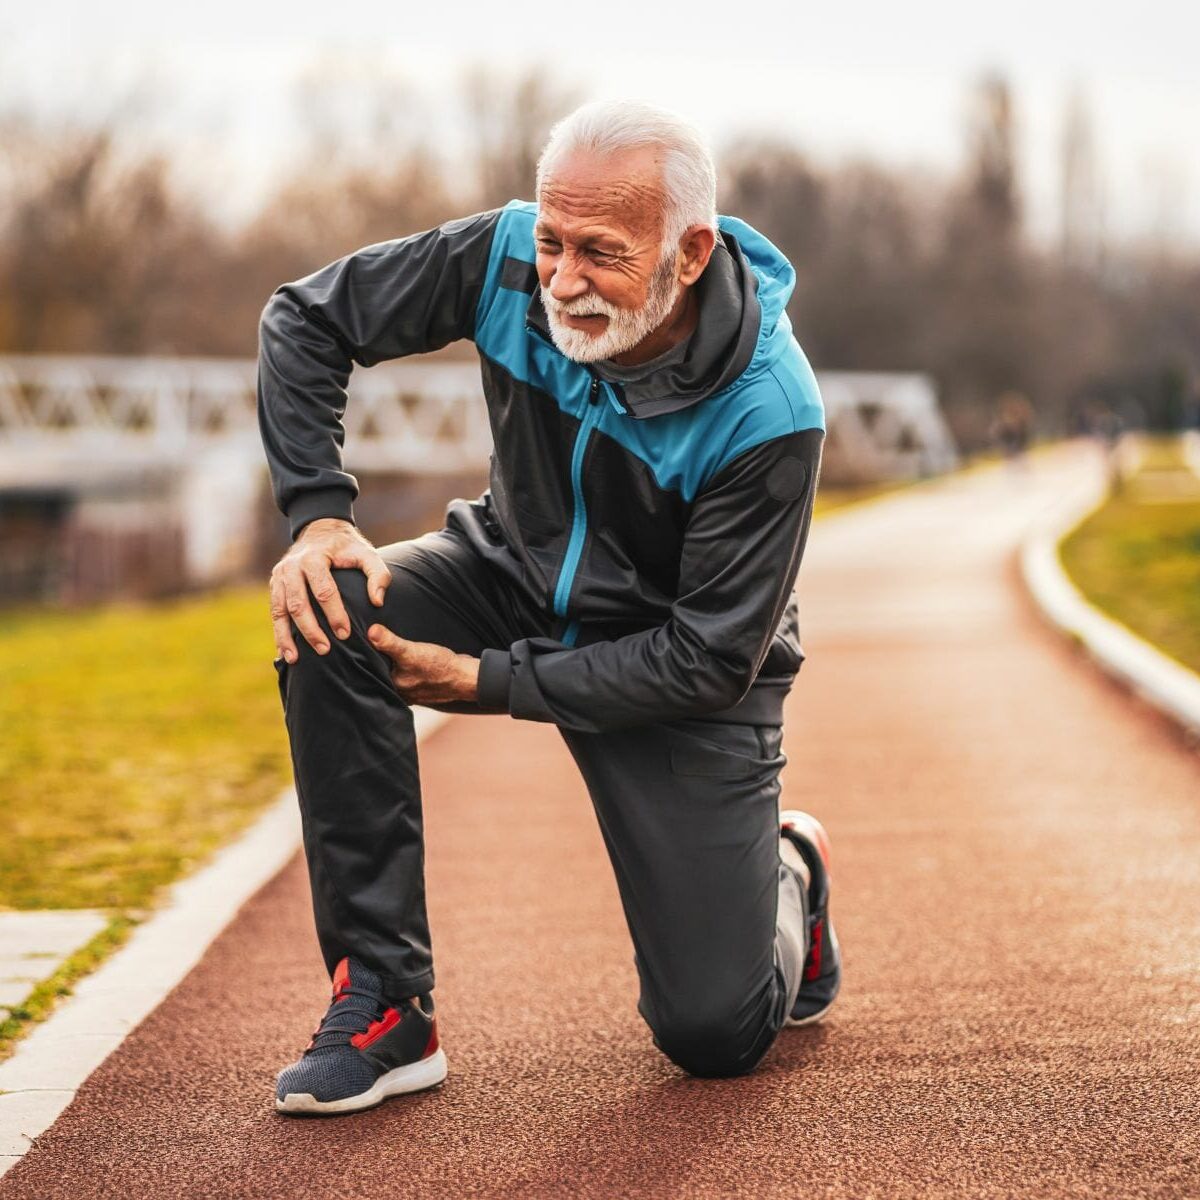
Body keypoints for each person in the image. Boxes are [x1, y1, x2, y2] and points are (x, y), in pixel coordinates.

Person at [258, 100, 840, 1116]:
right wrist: (317, 518)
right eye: (551, 240)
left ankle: (789, 875)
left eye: (602, 253)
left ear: (690, 251)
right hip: (508, 572)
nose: (562, 280)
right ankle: (388, 1005)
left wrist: (489, 684)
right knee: (332, 606)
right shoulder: (500, 263)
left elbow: (707, 659)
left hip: (683, 670)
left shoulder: (769, 408)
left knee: (714, 1036)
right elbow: (306, 320)